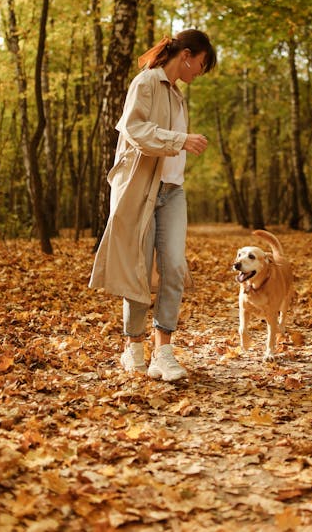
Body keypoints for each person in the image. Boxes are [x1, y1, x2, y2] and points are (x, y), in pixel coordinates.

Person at [89, 29, 217, 381]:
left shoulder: (178, 96)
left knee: (174, 267)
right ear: (187, 55)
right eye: (200, 65)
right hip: (141, 189)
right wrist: (180, 139)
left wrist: (180, 145)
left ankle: (164, 351)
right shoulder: (145, 83)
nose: (198, 73)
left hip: (173, 191)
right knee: (139, 270)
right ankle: (133, 348)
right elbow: (134, 129)